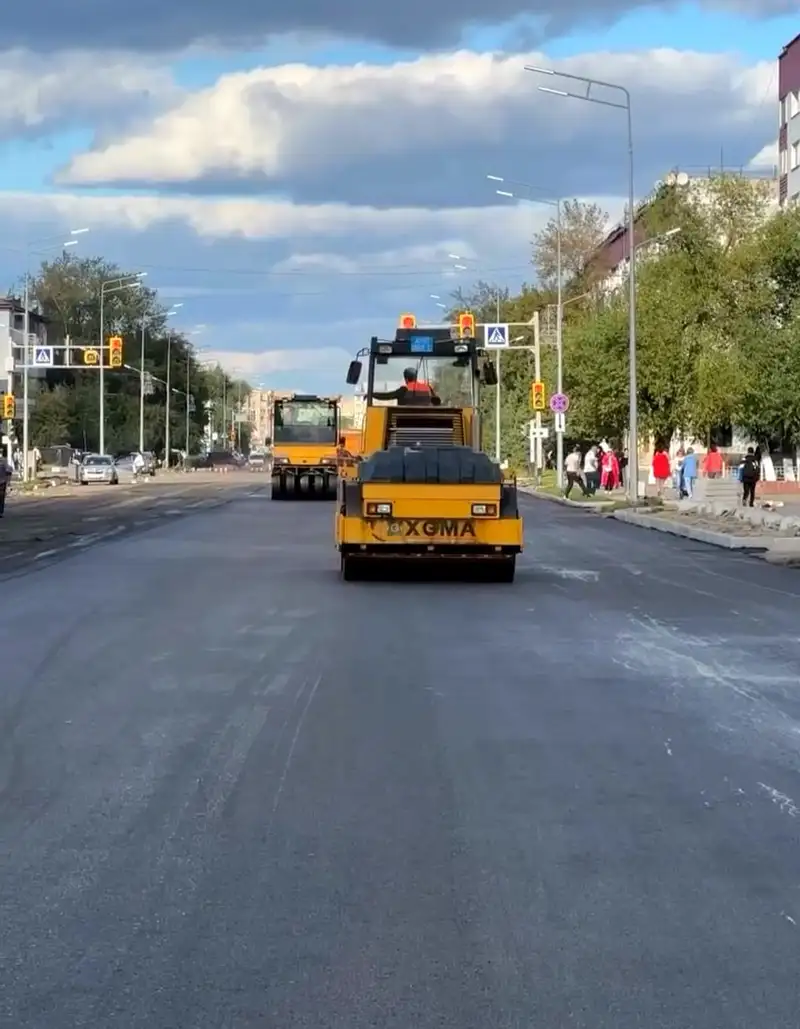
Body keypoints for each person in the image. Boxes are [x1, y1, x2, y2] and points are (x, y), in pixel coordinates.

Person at [372, 368, 440, 405]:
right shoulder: (428, 387)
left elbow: (387, 396)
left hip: (404, 422)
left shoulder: (403, 390)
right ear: (415, 377)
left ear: (406, 379)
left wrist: (372, 394)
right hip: (427, 421)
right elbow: (436, 401)